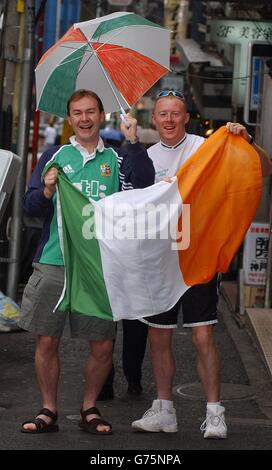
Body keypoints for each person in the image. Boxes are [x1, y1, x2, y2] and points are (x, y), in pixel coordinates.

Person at [131, 89, 272, 438]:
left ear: (186, 117)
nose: (168, 120)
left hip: (200, 253)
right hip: (160, 256)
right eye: (162, 113)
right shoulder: (145, 157)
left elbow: (263, 168)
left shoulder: (206, 148)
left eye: (175, 113)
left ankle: (214, 413)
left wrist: (247, 141)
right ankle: (164, 410)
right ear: (154, 118)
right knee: (158, 337)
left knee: (203, 335)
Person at [19, 89, 155, 434]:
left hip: (100, 265)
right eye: (77, 112)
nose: (84, 118)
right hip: (54, 261)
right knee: (47, 340)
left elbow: (143, 185)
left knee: (102, 342)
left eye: (90, 112)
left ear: (100, 115)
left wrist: (135, 141)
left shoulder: (117, 159)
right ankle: (48, 408)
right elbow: (30, 207)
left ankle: (89, 407)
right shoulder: (55, 156)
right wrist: (47, 190)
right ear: (70, 119)